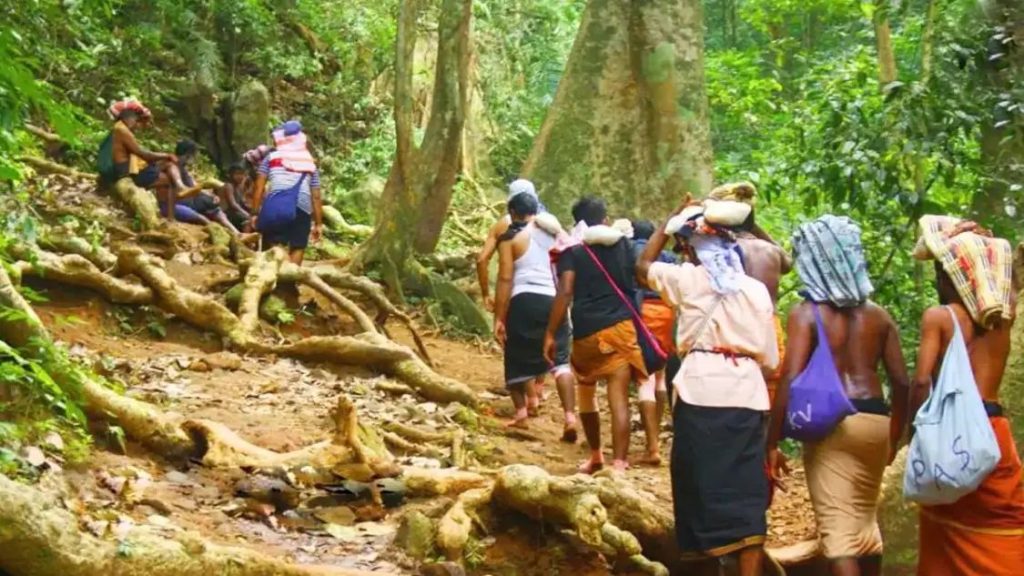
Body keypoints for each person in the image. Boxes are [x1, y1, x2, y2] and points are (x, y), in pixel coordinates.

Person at [636, 200, 778, 576]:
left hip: (699, 393)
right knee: (746, 491)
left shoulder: (688, 280)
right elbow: (770, 359)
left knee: (698, 485)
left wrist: (668, 222)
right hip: (748, 395)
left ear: (693, 248)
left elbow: (642, 268)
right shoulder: (756, 291)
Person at [767, 215, 910, 576]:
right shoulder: (879, 316)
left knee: (839, 537)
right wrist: (895, 436)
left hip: (833, 426)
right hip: (876, 423)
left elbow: (790, 378)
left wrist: (771, 440)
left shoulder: (806, 314)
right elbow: (902, 382)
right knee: (865, 529)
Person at [909, 215, 1024, 576]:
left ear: (954, 275)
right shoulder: (1003, 319)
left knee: (943, 518)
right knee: (1004, 519)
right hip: (993, 429)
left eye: (941, 271)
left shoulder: (940, 317)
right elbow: (1009, 282)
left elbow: (921, 381)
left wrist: (912, 435)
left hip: (952, 433)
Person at [544, 197, 647, 474]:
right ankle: (620, 464)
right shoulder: (626, 248)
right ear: (605, 219)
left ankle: (596, 455)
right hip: (620, 329)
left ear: (578, 223)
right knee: (619, 398)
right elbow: (641, 277)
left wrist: (551, 333)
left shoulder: (572, 252)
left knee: (587, 393)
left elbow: (565, 291)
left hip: (586, 332)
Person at [493, 193, 576, 439]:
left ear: (512, 213)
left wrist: (499, 316)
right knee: (561, 363)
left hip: (524, 301)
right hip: (555, 300)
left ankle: (521, 415)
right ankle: (570, 418)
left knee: (515, 356)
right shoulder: (558, 237)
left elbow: (505, 278)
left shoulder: (511, 239)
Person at [708, 182, 792, 405]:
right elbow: (787, 263)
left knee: (732, 396)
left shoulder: (720, 253)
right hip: (769, 330)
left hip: (735, 328)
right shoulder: (771, 251)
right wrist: (754, 226)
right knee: (766, 396)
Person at [478, 179, 545, 412]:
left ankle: (529, 397)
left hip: (514, 293)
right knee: (540, 341)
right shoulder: (547, 224)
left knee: (516, 345)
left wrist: (486, 294)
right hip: (547, 294)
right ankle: (538, 388)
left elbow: (482, 259)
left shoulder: (503, 225)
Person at [102, 100, 193, 221]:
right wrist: (166, 155)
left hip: (130, 169)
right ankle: (171, 216)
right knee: (168, 179)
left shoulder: (121, 129)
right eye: (135, 119)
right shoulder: (122, 130)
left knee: (169, 164)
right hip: (126, 173)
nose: (136, 122)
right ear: (128, 117)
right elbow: (142, 154)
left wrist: (164, 157)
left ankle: (180, 187)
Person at [631, 219, 676, 466]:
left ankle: (652, 447)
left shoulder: (628, 251)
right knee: (660, 375)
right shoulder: (668, 257)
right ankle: (655, 436)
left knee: (644, 378)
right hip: (667, 313)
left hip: (641, 313)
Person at [251, 121, 324, 265]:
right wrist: (318, 224)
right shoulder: (309, 163)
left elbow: (258, 187)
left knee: (272, 244)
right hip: (302, 210)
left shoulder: (271, 158)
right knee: (298, 246)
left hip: (276, 206)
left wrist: (254, 213)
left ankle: (272, 270)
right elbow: (316, 196)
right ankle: (291, 276)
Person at [146, 140, 242, 234]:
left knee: (212, 206)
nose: (195, 158)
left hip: (183, 201)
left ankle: (236, 233)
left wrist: (211, 195)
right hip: (170, 205)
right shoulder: (169, 165)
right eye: (194, 155)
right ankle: (228, 233)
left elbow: (194, 186)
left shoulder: (182, 168)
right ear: (188, 154)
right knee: (204, 216)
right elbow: (184, 190)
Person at [219, 162, 254, 231]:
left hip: (234, 212)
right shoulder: (229, 186)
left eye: (242, 174)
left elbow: (243, 203)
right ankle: (245, 235)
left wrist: (254, 210)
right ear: (231, 175)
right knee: (248, 220)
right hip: (226, 213)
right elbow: (233, 204)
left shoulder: (238, 187)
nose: (240, 176)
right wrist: (246, 214)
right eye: (237, 174)